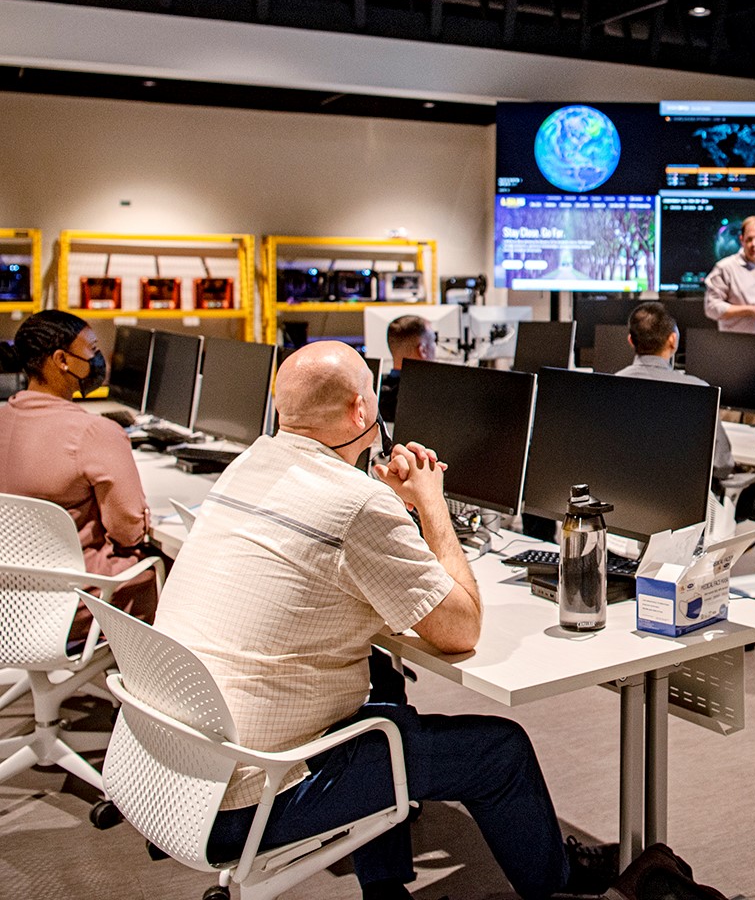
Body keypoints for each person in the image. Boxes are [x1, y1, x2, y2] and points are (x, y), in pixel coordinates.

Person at [152, 341, 615, 900]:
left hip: (174, 764)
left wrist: (384, 505)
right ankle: (558, 887)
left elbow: (324, 554)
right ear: (359, 412)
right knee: (500, 750)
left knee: (385, 682)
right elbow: (460, 630)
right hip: (248, 796)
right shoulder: (356, 506)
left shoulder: (250, 464)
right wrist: (430, 504)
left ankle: (385, 888)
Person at [616, 302, 755, 622]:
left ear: (630, 341)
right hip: (694, 516)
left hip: (634, 510)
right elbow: (723, 465)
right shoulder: (698, 393)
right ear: (674, 340)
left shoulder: (611, 388)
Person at [0, 310, 154, 638]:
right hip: (74, 602)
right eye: (93, 351)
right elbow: (128, 532)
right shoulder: (95, 432)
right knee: (171, 569)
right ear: (62, 360)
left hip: (9, 604)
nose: (99, 360)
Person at [378, 314, 437, 425]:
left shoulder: (376, 394)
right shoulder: (435, 396)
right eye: (434, 341)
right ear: (422, 350)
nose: (435, 347)